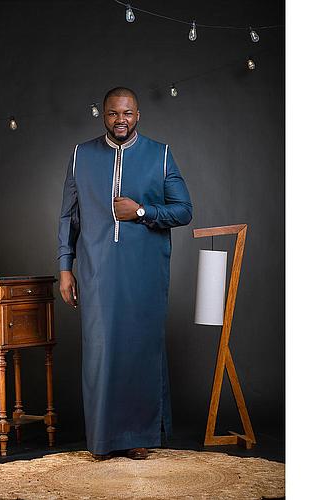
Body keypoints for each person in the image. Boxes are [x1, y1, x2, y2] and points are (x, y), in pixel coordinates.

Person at [57, 87, 192, 460]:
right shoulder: (81, 155)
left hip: (145, 272)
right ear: (103, 115)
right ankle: (102, 438)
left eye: (127, 113)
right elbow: (68, 217)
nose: (121, 120)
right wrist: (65, 268)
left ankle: (137, 436)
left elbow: (184, 210)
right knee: (100, 352)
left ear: (138, 115)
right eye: (114, 113)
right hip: (97, 271)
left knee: (139, 349)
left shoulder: (159, 154)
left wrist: (143, 212)